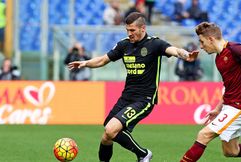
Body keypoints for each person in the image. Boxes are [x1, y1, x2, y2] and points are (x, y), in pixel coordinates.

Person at [68, 12, 198, 162]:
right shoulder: (124, 45)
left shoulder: (155, 44)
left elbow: (173, 50)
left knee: (111, 130)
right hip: (126, 97)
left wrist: (185, 54)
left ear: (143, 28)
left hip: (144, 99)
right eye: (127, 30)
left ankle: (143, 154)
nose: (129, 34)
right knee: (106, 136)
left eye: (132, 30)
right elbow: (103, 60)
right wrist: (85, 63)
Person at [179, 22, 241, 162]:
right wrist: (218, 109)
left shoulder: (235, 49)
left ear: (211, 39)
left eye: (202, 41)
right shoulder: (218, 58)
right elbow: (229, 87)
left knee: (203, 135)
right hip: (230, 105)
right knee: (231, 151)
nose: (201, 46)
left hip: (240, 106)